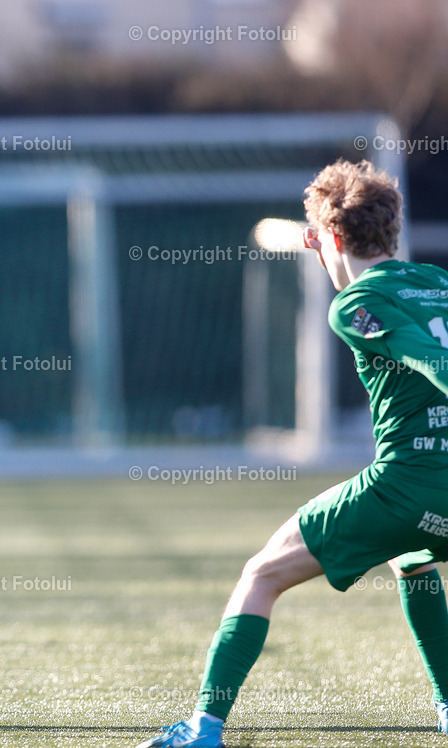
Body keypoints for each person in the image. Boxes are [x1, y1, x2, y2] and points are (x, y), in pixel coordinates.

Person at [138, 159, 448, 747]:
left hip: (407, 486)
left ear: (330, 238)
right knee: (412, 556)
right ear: (391, 229)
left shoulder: (355, 304)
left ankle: (203, 729)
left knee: (262, 574)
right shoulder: (437, 281)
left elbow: (427, 358)